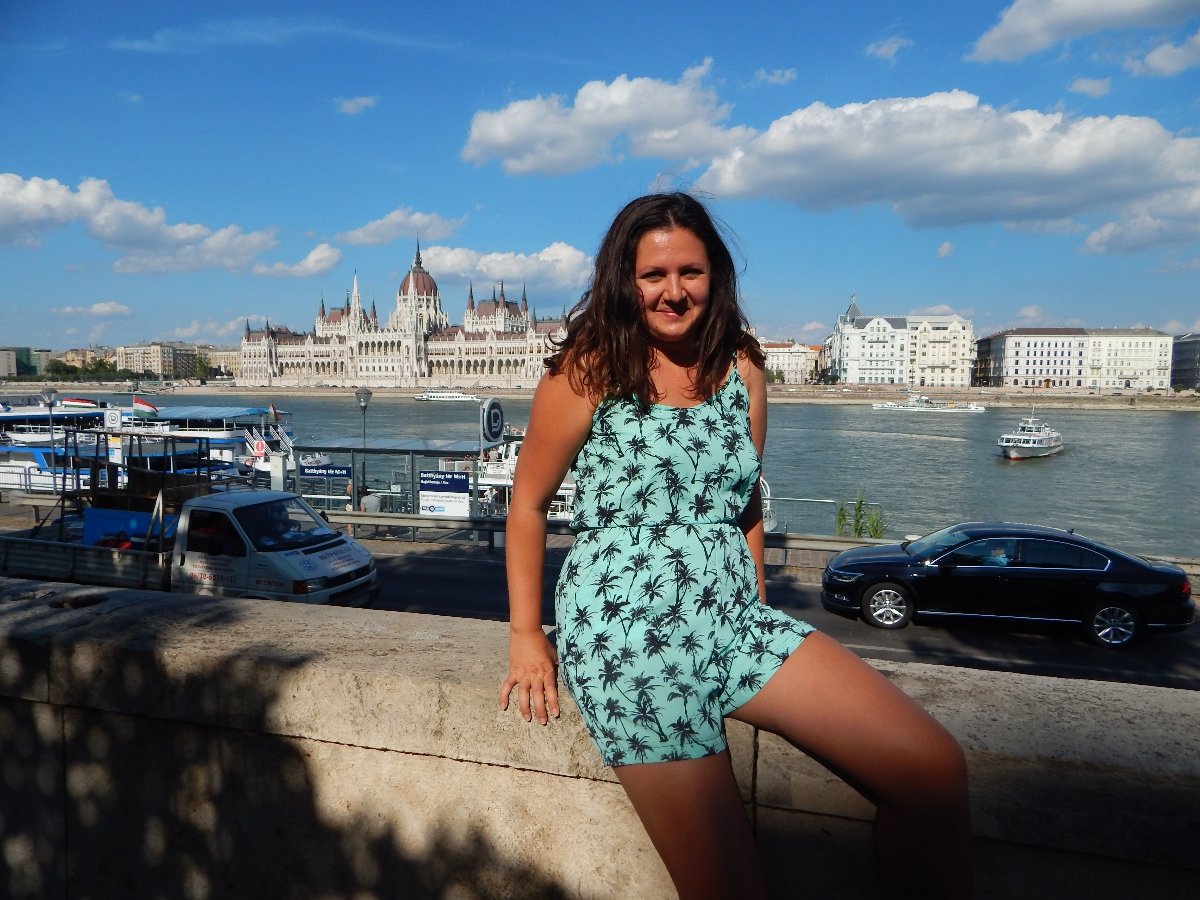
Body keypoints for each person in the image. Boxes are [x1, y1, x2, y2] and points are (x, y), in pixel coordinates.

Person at [499, 193, 972, 899]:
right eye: (653, 275)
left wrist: (755, 601)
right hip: (630, 638)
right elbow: (528, 506)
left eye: (689, 272)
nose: (673, 291)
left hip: (732, 618)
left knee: (934, 771)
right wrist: (527, 637)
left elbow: (745, 499)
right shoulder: (587, 370)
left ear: (714, 275)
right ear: (625, 280)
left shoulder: (742, 365)